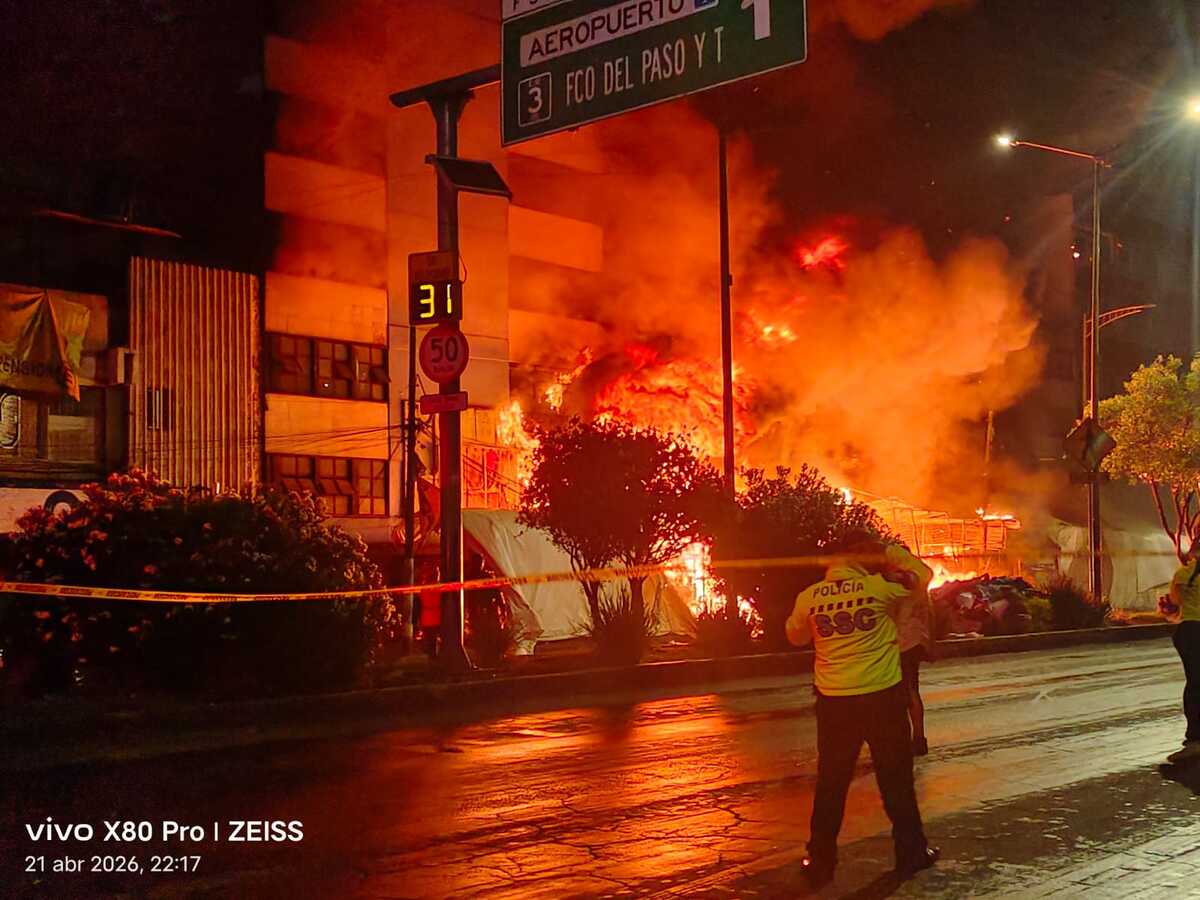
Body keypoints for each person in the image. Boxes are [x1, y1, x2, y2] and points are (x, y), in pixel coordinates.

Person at [786, 538, 939, 888]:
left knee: (832, 783)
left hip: (835, 703)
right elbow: (922, 575)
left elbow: (793, 636)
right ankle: (911, 851)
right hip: (881, 699)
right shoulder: (878, 588)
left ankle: (820, 860)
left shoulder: (810, 597)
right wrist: (892, 554)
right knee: (895, 780)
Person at [884, 542, 936, 756]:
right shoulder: (920, 582)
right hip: (915, 640)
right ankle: (919, 737)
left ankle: (901, 740)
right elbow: (930, 613)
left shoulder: (895, 582)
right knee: (912, 690)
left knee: (895, 693)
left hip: (897, 642)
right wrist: (930, 642)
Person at [1161, 549, 1200, 764]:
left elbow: (1174, 605)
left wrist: (1167, 608)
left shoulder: (1183, 575)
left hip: (1190, 631)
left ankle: (1194, 739)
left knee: (1195, 683)